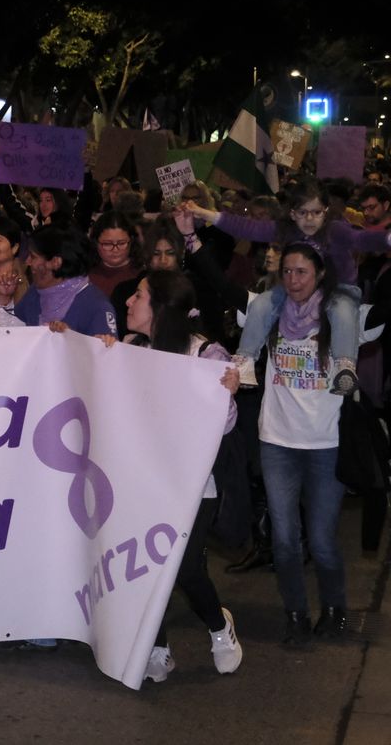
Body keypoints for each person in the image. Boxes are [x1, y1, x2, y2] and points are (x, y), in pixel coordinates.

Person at [108, 270, 243, 681]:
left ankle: (219, 627)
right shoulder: (131, 348)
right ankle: (158, 647)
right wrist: (93, 353)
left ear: (161, 308)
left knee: (185, 569)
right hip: (144, 483)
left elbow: (225, 425)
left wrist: (228, 395)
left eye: (138, 296)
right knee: (146, 569)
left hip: (193, 486)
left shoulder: (206, 355)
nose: (129, 301)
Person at [181, 177, 391, 394]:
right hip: (293, 292)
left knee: (343, 310)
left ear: (326, 211)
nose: (309, 219)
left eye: (316, 212)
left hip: (339, 290)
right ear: (292, 213)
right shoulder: (287, 232)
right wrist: (206, 214)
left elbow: (362, 239)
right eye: (303, 212)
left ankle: (344, 365)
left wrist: (387, 239)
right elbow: (248, 228)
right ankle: (246, 359)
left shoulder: (336, 231)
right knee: (261, 304)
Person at [256, 243, 352, 644]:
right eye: (287, 272)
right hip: (277, 443)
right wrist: (192, 240)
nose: (293, 280)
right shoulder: (269, 312)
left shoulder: (341, 315)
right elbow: (219, 289)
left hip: (326, 445)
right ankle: (295, 614)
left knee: (323, 541)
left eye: (302, 272)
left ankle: (334, 608)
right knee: (284, 540)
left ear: (320, 274)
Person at [12, 225, 117, 336]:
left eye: (33, 256)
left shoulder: (97, 306)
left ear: (56, 262)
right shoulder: (36, 291)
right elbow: (15, 331)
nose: (28, 262)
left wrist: (71, 339)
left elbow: (106, 346)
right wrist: (5, 299)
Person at [88, 211, 140, 299]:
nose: (115, 250)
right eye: (107, 244)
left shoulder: (141, 275)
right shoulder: (86, 275)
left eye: (121, 243)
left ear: (131, 241)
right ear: (95, 243)